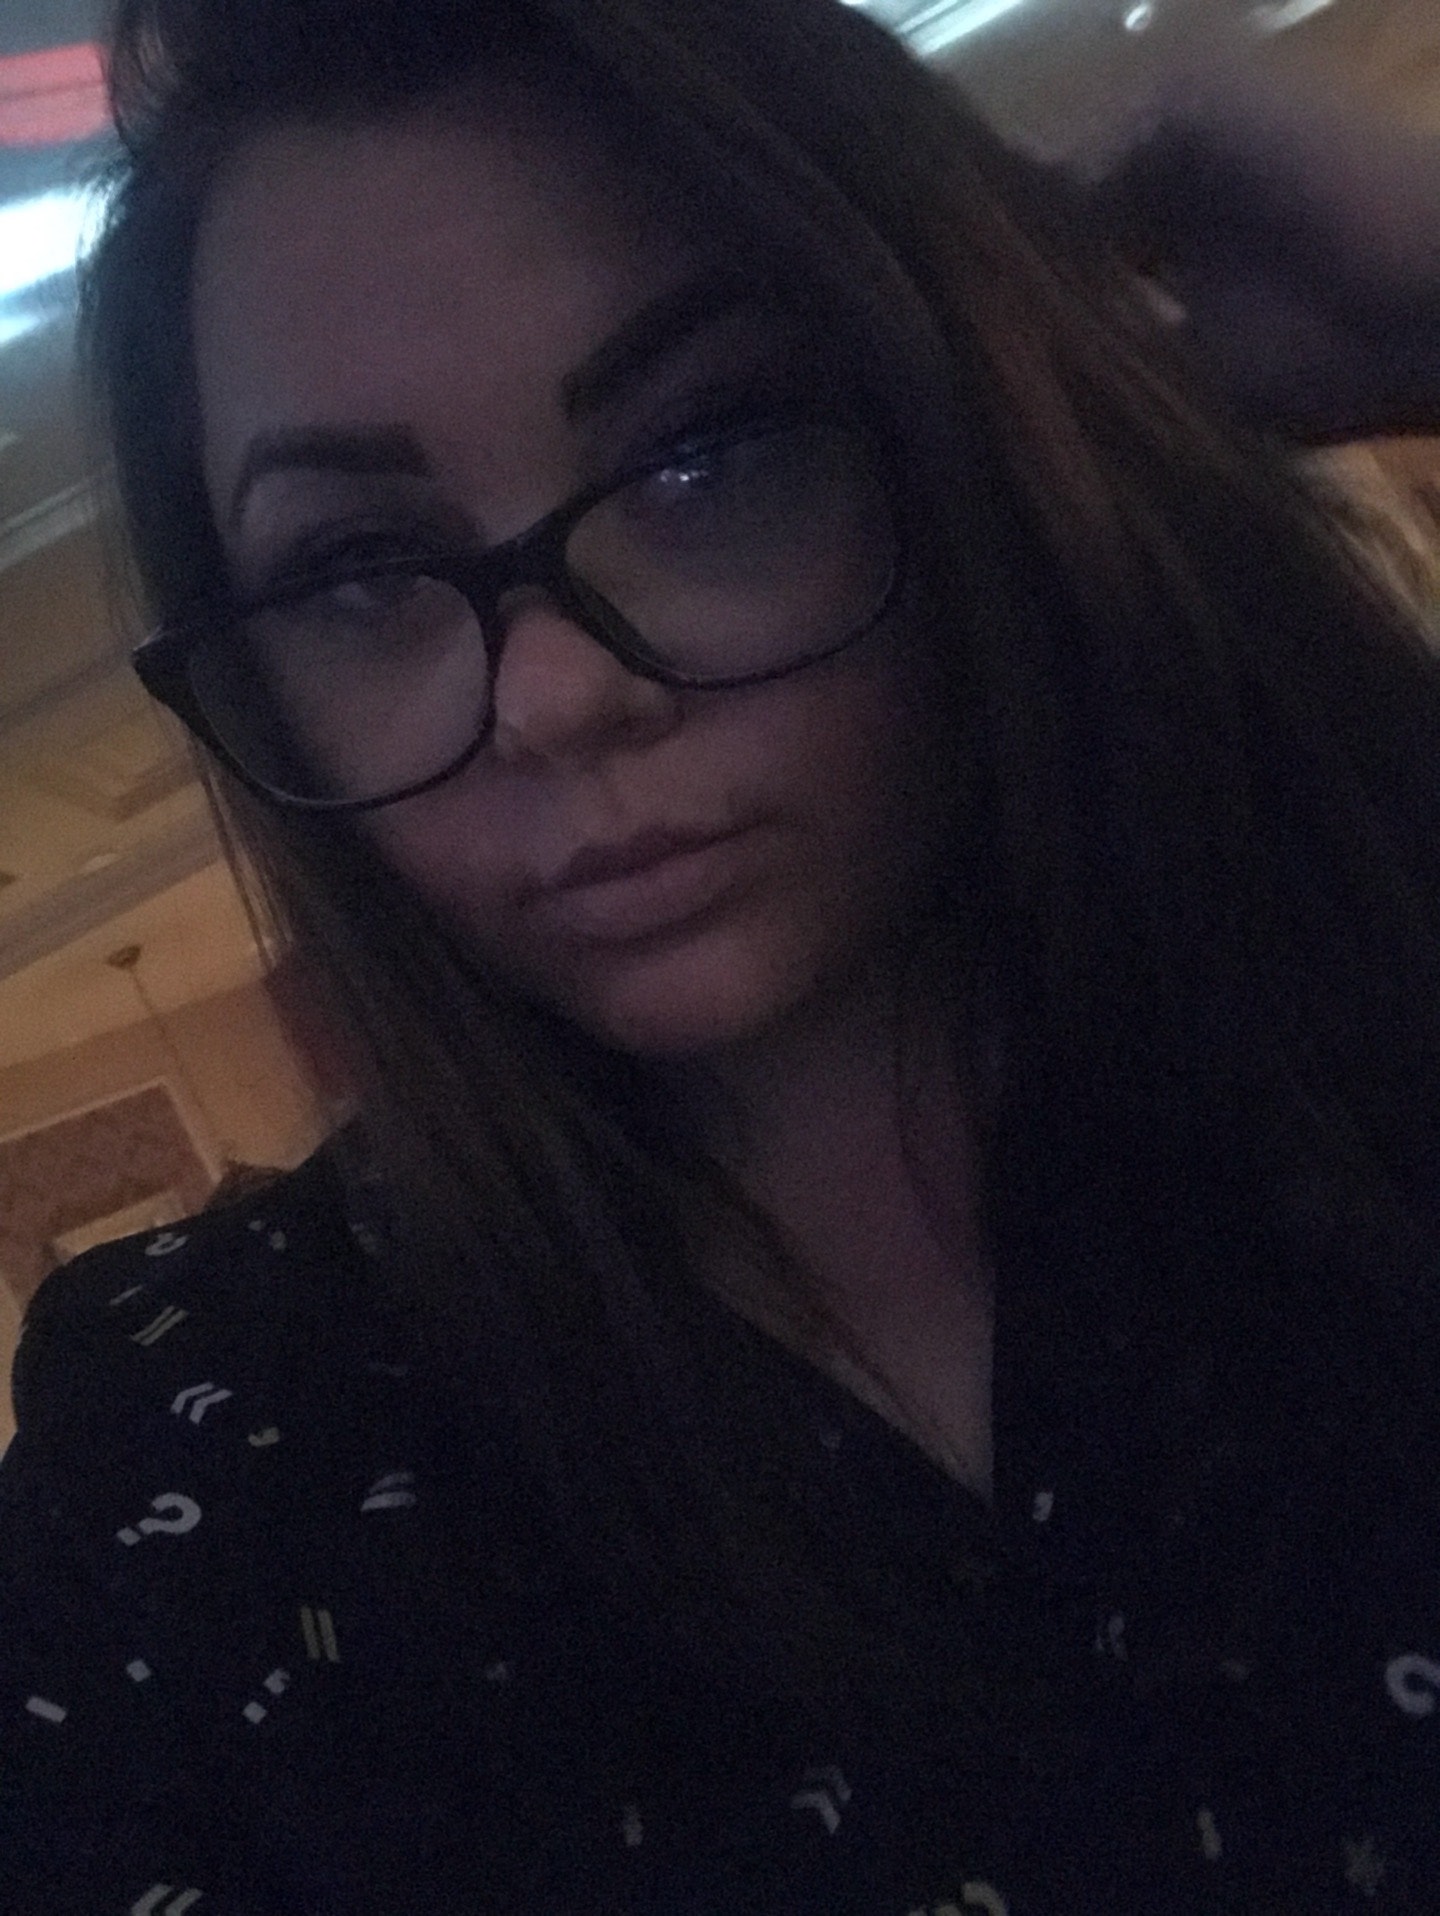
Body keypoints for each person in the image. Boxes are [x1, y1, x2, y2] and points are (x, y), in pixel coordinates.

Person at [3, 1, 1439, 1908]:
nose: (554, 696)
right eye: (357, 572)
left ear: (943, 419)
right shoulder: (199, 1454)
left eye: (708, 455)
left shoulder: (1384, 1025)